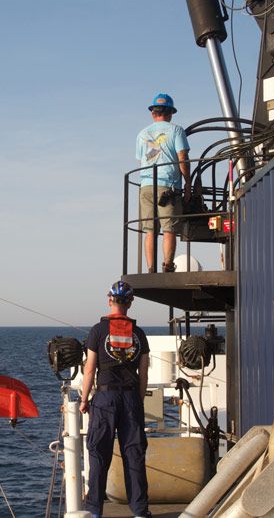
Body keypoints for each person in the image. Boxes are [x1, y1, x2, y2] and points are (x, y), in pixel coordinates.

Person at [79, 281, 151, 518]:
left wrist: (83, 399)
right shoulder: (139, 334)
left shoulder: (98, 331)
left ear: (109, 300)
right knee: (134, 454)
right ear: (130, 303)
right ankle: (140, 511)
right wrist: (138, 401)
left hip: (105, 397)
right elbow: (144, 373)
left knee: (99, 453)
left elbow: (89, 369)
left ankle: (95, 511)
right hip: (131, 397)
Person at [136, 93, 191, 273]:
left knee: (150, 230)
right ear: (170, 114)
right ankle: (168, 266)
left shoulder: (142, 134)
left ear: (153, 113)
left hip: (146, 186)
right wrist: (188, 184)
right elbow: (182, 157)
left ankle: (151, 268)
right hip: (168, 186)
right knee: (169, 229)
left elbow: (141, 162)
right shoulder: (176, 131)